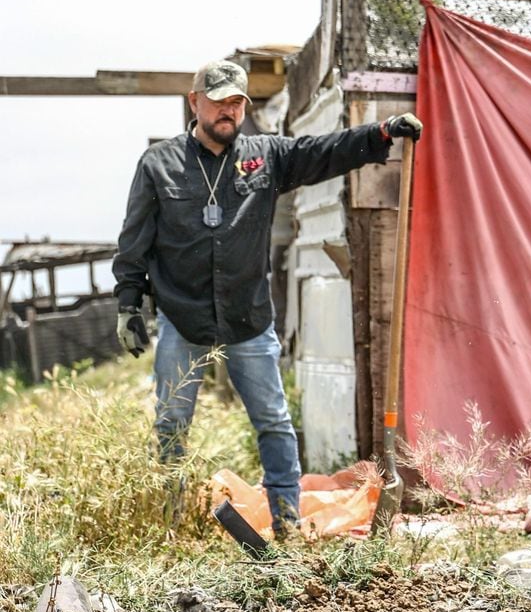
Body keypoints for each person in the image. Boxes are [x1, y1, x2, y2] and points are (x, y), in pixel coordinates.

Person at [112, 59, 423, 539]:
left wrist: (380, 134)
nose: (228, 111)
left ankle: (285, 519)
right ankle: (169, 525)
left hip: (248, 321)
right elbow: (134, 239)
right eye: (218, 101)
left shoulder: (263, 156)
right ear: (195, 103)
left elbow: (324, 151)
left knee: (275, 424)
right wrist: (128, 305)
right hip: (183, 318)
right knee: (172, 424)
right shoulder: (159, 165)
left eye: (236, 102)